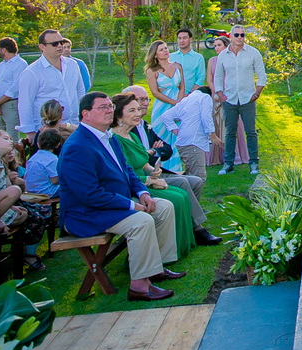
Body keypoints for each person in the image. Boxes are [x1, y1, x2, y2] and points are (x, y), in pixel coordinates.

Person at [58, 91, 184, 301]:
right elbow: (88, 195)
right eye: (103, 107)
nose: (109, 110)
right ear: (85, 114)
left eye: (110, 106)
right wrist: (131, 205)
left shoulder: (109, 137)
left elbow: (126, 171)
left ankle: (156, 268)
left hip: (111, 204)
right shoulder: (77, 146)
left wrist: (143, 193)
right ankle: (139, 286)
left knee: (162, 207)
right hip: (86, 213)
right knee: (141, 220)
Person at [126, 87, 220, 245]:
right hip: (143, 178)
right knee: (185, 181)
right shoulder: (127, 131)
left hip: (155, 171)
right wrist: (151, 152)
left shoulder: (144, 126)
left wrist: (154, 151)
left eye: (146, 99)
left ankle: (187, 222)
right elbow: (135, 159)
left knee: (195, 180)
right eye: (139, 100)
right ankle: (196, 228)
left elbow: (166, 150)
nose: (144, 104)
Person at [109, 94, 194, 259]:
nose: (138, 114)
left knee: (182, 195)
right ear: (118, 115)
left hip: (146, 179)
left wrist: (151, 170)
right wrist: (151, 180)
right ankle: (163, 254)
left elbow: (142, 163)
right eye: (132, 110)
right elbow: (124, 173)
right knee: (175, 198)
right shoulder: (115, 140)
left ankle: (181, 247)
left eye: (138, 109)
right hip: (135, 186)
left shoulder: (132, 135)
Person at [0, 130, 47, 271]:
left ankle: (20, 252)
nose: (10, 141)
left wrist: (12, 207)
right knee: (14, 190)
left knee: (24, 214)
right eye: (5, 138)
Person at [213, 25, 266, 176]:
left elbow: (261, 74)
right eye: (236, 35)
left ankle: (253, 163)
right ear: (230, 36)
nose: (239, 37)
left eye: (242, 35)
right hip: (229, 98)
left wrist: (257, 92)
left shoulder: (253, 53)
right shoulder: (223, 55)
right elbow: (218, 75)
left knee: (250, 131)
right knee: (230, 131)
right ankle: (228, 164)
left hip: (247, 98)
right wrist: (220, 93)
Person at [17, 29, 84, 143]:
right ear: (42, 47)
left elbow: (80, 92)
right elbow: (25, 103)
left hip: (73, 126)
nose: (59, 46)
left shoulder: (72, 65)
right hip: (48, 131)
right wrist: (30, 133)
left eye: (61, 42)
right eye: (54, 44)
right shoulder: (32, 72)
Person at [157, 85, 223, 182]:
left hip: (182, 144)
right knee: (198, 178)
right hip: (193, 144)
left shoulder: (185, 101)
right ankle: (193, 197)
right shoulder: (205, 97)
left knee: (190, 177)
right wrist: (212, 135)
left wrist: (177, 132)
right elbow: (206, 117)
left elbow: (166, 116)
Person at [143, 40, 185, 174]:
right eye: (161, 50)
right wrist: (173, 102)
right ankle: (161, 169)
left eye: (166, 48)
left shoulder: (177, 66)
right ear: (155, 54)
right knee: (162, 137)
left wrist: (179, 101)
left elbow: (181, 85)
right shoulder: (152, 71)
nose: (165, 51)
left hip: (178, 105)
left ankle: (176, 169)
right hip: (162, 106)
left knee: (176, 136)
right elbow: (155, 92)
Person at [206, 37, 248, 166]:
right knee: (215, 124)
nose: (216, 48)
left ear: (226, 46)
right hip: (216, 97)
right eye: (215, 46)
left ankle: (234, 155)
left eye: (219, 45)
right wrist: (216, 92)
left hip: (230, 96)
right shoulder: (211, 61)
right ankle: (217, 156)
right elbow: (209, 80)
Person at [0, 38, 26, 140]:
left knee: (11, 136)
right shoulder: (1, 65)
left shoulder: (20, 64)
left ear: (4, 50)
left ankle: (15, 155)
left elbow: (15, 88)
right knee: (0, 136)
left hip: (10, 105)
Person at [24, 129, 61, 198]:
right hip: (45, 192)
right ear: (57, 145)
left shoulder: (32, 158)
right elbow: (54, 180)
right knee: (71, 186)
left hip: (30, 190)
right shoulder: (52, 159)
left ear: (38, 144)